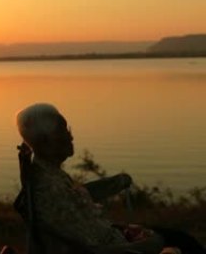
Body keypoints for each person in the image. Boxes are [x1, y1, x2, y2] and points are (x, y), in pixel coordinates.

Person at [15, 103, 205, 254]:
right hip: (110, 246)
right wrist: (153, 243)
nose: (70, 136)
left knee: (180, 238)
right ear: (45, 142)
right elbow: (93, 245)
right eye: (63, 131)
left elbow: (78, 200)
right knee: (181, 242)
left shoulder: (48, 173)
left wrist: (115, 183)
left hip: (109, 236)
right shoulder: (49, 189)